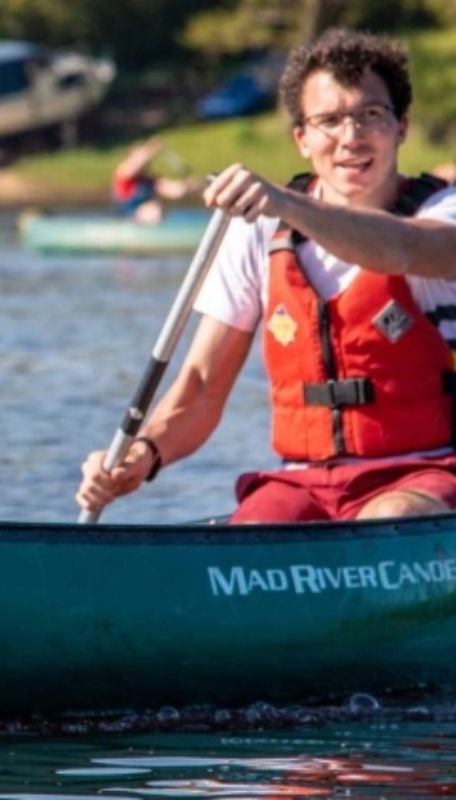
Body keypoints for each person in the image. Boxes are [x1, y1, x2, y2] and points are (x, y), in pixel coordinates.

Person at [77, 28, 456, 524]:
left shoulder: (441, 211)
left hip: (426, 475)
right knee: (257, 528)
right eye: (329, 121)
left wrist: (284, 201)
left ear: (401, 127)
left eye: (370, 115)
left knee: (387, 518)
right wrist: (143, 455)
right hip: (303, 480)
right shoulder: (258, 234)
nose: (350, 137)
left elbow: (400, 248)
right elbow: (202, 384)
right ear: (301, 139)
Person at [111, 137, 200, 224]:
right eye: (139, 155)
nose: (146, 162)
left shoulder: (151, 180)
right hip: (125, 216)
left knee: (158, 209)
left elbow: (176, 191)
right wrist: (153, 148)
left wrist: (189, 185)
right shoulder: (124, 172)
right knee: (153, 210)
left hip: (147, 217)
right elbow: (138, 163)